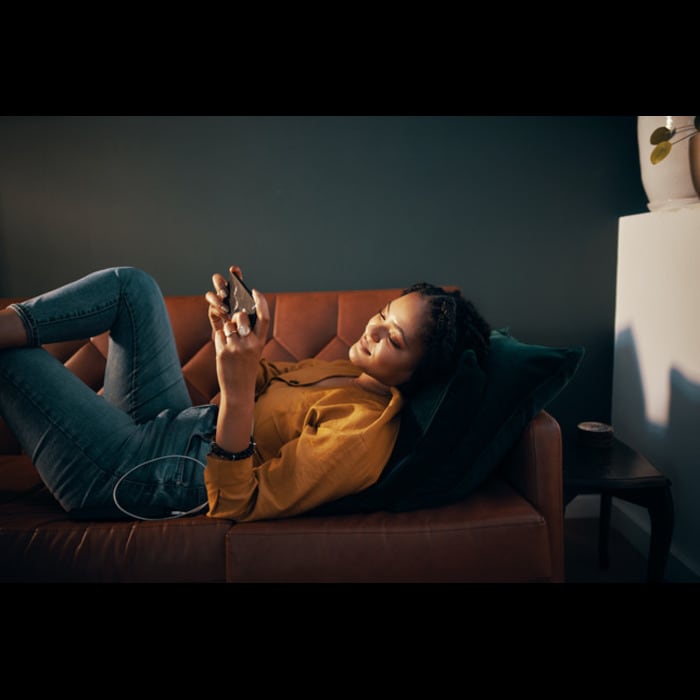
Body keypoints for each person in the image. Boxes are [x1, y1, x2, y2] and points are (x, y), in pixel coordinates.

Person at [0, 265, 491, 522]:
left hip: (136, 473)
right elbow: (259, 380)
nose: (374, 330)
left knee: (12, 357)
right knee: (133, 287)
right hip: (173, 421)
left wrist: (234, 392)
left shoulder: (362, 434)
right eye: (383, 313)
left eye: (394, 339)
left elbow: (238, 501)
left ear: (421, 371)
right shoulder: (345, 369)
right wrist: (233, 339)